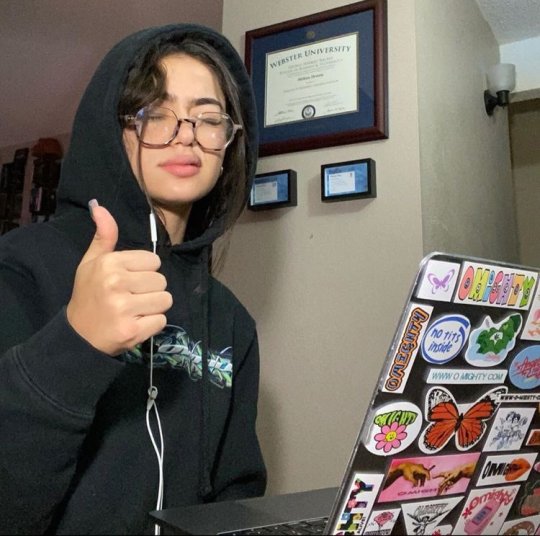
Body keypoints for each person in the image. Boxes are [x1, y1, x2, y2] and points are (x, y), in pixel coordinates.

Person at [0, 23, 266, 534]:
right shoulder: (22, 267)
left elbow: (237, 494)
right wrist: (76, 342)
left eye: (208, 119)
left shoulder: (232, 320)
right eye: (156, 114)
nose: (185, 135)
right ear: (112, 129)